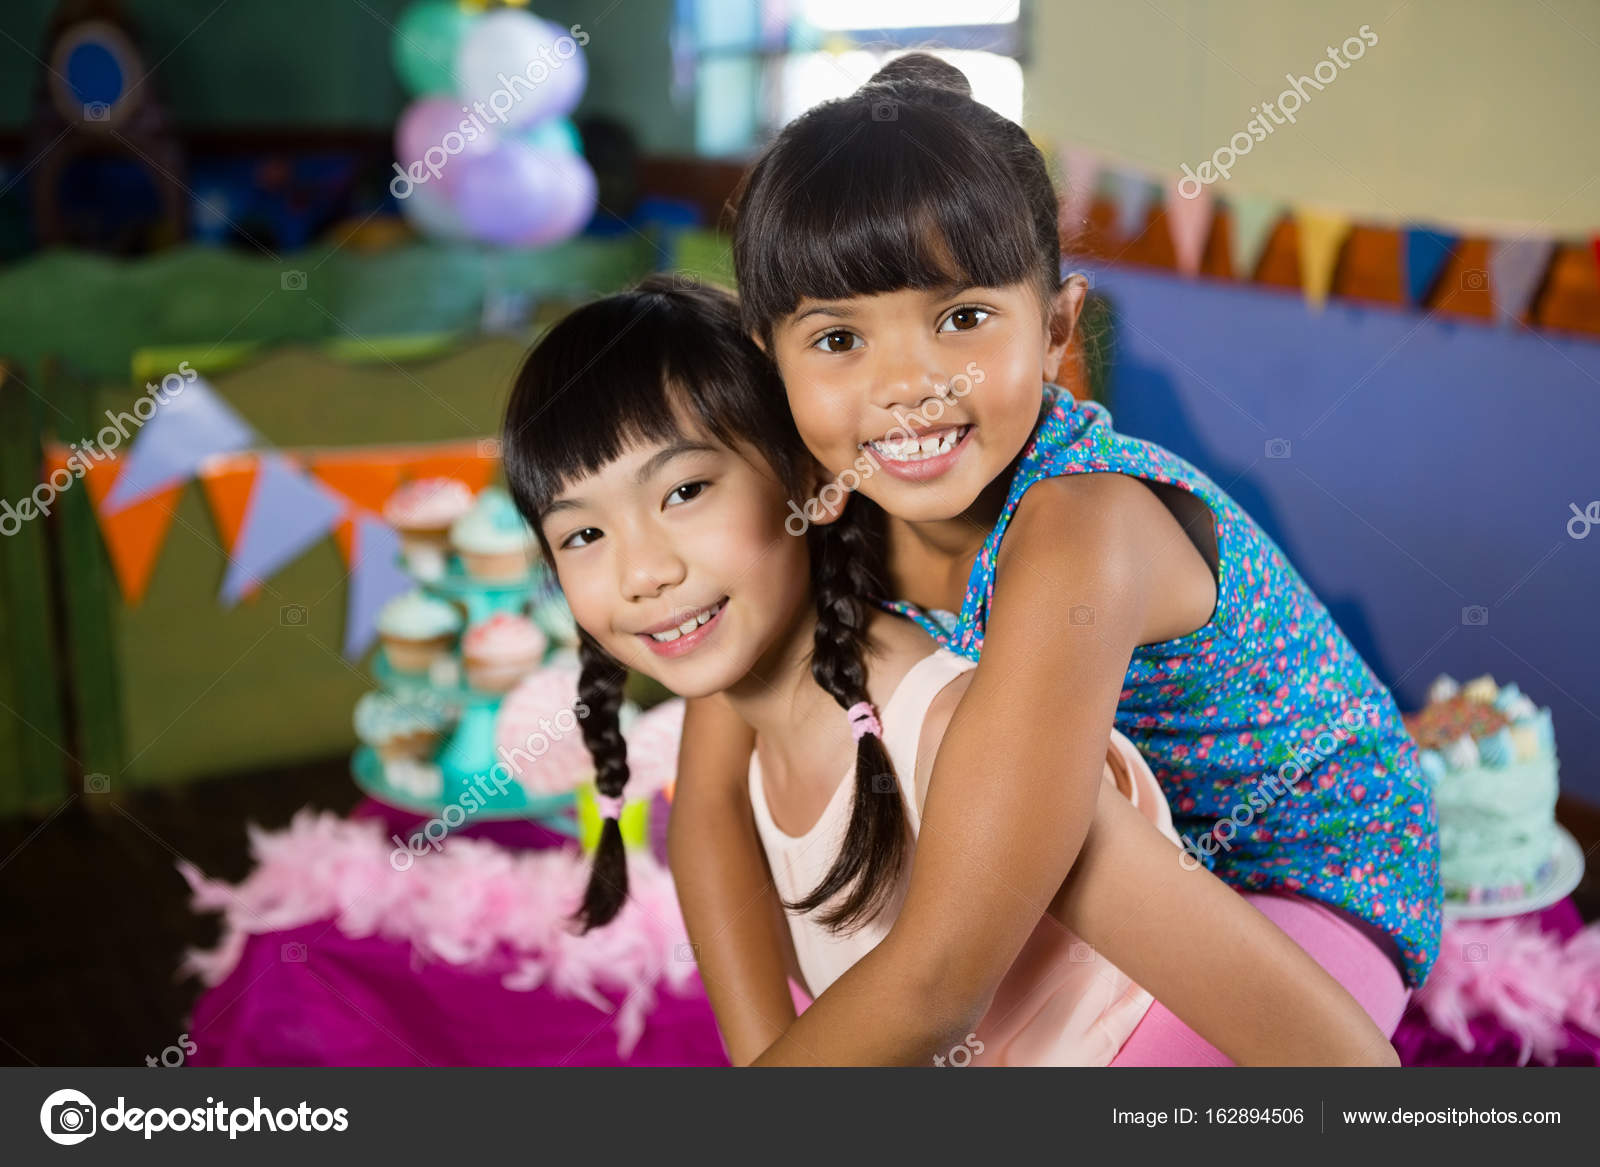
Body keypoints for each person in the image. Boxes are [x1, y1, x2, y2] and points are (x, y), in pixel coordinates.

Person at [669, 53, 1439, 1065]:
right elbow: (711, 795)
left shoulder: (1084, 528)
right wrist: (764, 1051)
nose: (906, 385)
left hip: (1286, 874)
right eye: (838, 339)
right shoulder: (824, 504)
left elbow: (942, 976)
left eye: (962, 319)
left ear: (1056, 330)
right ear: (769, 361)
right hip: (1088, 847)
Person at [500, 276, 1399, 1067]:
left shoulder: (952, 731)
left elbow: (1339, 1056)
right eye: (583, 534)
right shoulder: (744, 706)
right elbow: (705, 822)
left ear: (807, 478)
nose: (642, 571)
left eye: (685, 492)